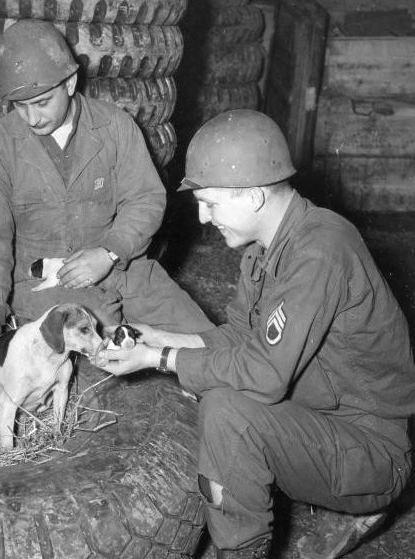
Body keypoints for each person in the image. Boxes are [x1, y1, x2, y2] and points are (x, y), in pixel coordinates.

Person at [95, 109, 415, 559]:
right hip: (324, 421)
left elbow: (264, 375)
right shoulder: (267, 253)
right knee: (223, 393)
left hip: (371, 450)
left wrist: (160, 360)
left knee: (229, 412)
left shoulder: (320, 252)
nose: (204, 218)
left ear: (255, 196)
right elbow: (240, 339)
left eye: (211, 203)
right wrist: (157, 339)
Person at [0, 19, 213, 375]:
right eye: (20, 106)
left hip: (125, 267)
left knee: (209, 347)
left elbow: (145, 199)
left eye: (42, 102)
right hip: (50, 283)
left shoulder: (114, 127)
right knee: (96, 371)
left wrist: (110, 252)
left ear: (70, 82)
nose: (32, 118)